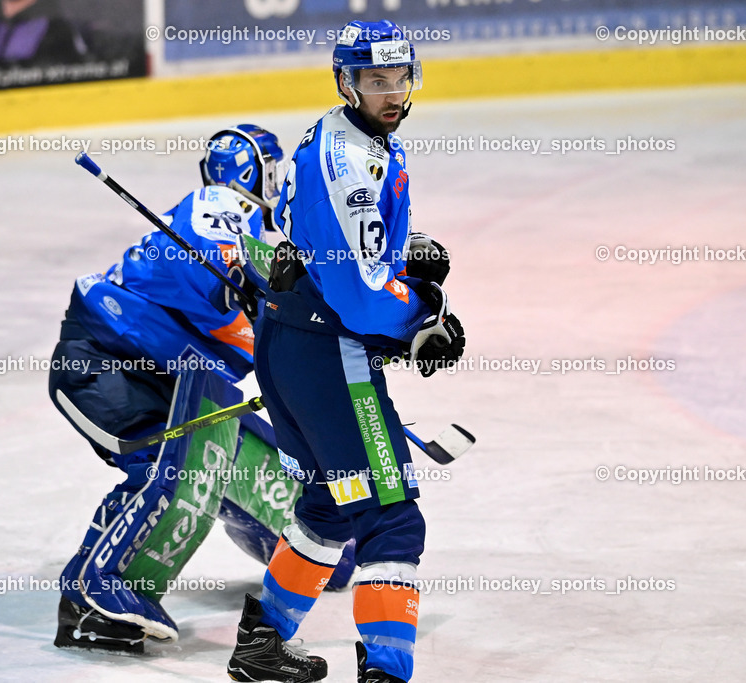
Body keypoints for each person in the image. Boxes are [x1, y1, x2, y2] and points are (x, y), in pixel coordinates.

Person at [48, 125, 355, 654]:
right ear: (254, 171)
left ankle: (91, 602)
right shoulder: (221, 207)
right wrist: (236, 276)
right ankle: (98, 588)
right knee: (162, 468)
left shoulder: (264, 244)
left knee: (212, 462)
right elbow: (208, 247)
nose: (279, 182)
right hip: (106, 357)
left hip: (165, 375)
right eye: (275, 170)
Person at [225, 20, 464, 683]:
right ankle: (386, 671)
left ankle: (261, 644)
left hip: (290, 340)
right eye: (376, 82)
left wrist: (403, 251)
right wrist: (421, 318)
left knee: (332, 501)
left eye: (399, 80)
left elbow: (326, 241)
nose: (392, 95)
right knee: (391, 518)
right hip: (330, 353)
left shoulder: (341, 133)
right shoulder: (351, 159)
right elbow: (360, 299)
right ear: (347, 82)